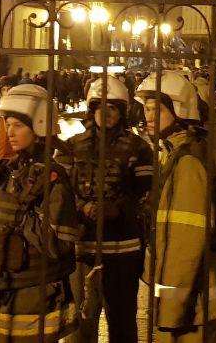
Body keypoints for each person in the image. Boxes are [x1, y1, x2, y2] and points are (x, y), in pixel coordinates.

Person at [0, 84, 82, 342]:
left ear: (39, 127)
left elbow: (60, 243)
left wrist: (20, 218)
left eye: (18, 126)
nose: (10, 132)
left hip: (29, 296)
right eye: (8, 124)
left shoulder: (52, 178)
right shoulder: (8, 171)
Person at [55, 75, 154, 343]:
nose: (105, 113)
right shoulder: (71, 147)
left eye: (112, 108)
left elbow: (146, 194)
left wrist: (118, 210)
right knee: (78, 324)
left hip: (123, 250)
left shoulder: (139, 148)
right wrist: (81, 207)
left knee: (122, 322)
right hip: (81, 250)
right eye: (99, 107)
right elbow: (59, 193)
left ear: (122, 112)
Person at [136, 72, 216, 342]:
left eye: (157, 110)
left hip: (188, 306)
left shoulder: (187, 162)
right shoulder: (174, 153)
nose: (149, 117)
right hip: (182, 296)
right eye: (146, 109)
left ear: (179, 111)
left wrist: (171, 309)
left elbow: (186, 242)